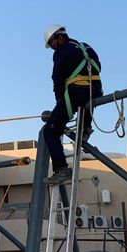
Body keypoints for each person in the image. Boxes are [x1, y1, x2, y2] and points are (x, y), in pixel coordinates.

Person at [43, 25, 103, 186]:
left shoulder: (61, 51)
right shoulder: (86, 47)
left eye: (52, 44)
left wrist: (59, 104)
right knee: (84, 105)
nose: (53, 48)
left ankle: (61, 169)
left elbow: (57, 78)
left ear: (59, 38)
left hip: (77, 91)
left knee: (49, 131)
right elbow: (99, 66)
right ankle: (85, 128)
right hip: (96, 90)